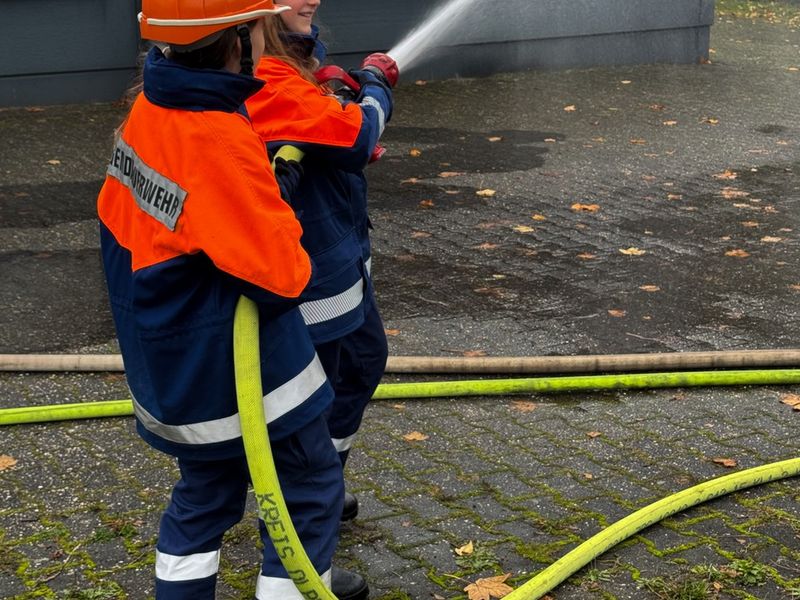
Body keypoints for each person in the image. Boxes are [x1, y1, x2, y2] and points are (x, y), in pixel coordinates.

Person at [97, 2, 363, 598]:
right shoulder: (213, 133)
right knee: (309, 487)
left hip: (165, 354)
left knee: (205, 495)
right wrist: (264, 202)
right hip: (230, 363)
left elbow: (174, 221)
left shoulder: (152, 108)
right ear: (237, 37)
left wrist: (264, 187)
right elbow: (283, 276)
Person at [246, 0, 398, 530]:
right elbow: (358, 137)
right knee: (310, 400)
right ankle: (297, 513)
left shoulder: (291, 60)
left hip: (340, 256)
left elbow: (323, 127)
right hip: (311, 274)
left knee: (362, 362)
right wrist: (375, 87)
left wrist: (332, 92)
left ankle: (323, 485)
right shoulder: (265, 74)